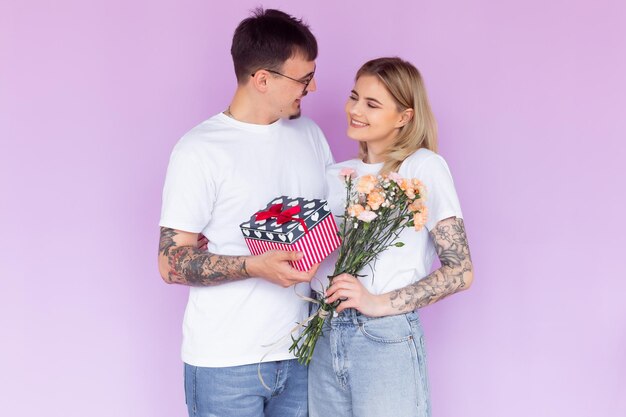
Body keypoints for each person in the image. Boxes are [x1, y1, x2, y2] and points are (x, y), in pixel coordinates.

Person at [157, 8, 333, 417]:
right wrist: (255, 266)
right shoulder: (199, 150)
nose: (313, 87)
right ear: (263, 79)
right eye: (303, 79)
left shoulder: (309, 135)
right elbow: (170, 262)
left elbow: (328, 222)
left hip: (301, 356)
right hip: (225, 362)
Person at [308, 57, 474, 417]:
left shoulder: (422, 167)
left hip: (383, 338)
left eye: (372, 104)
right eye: (354, 97)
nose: (355, 110)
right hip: (322, 334)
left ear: (404, 116)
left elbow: (461, 270)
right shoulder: (335, 175)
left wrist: (379, 303)